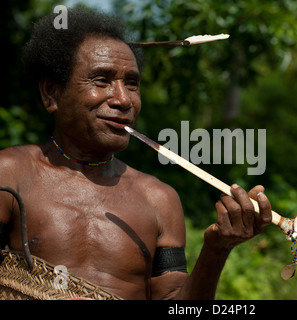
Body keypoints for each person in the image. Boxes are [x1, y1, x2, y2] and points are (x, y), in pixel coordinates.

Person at [0, 8, 272, 300]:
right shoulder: (11, 174)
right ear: (51, 93)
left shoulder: (158, 199)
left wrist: (216, 249)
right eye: (101, 80)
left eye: (132, 83)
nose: (124, 100)